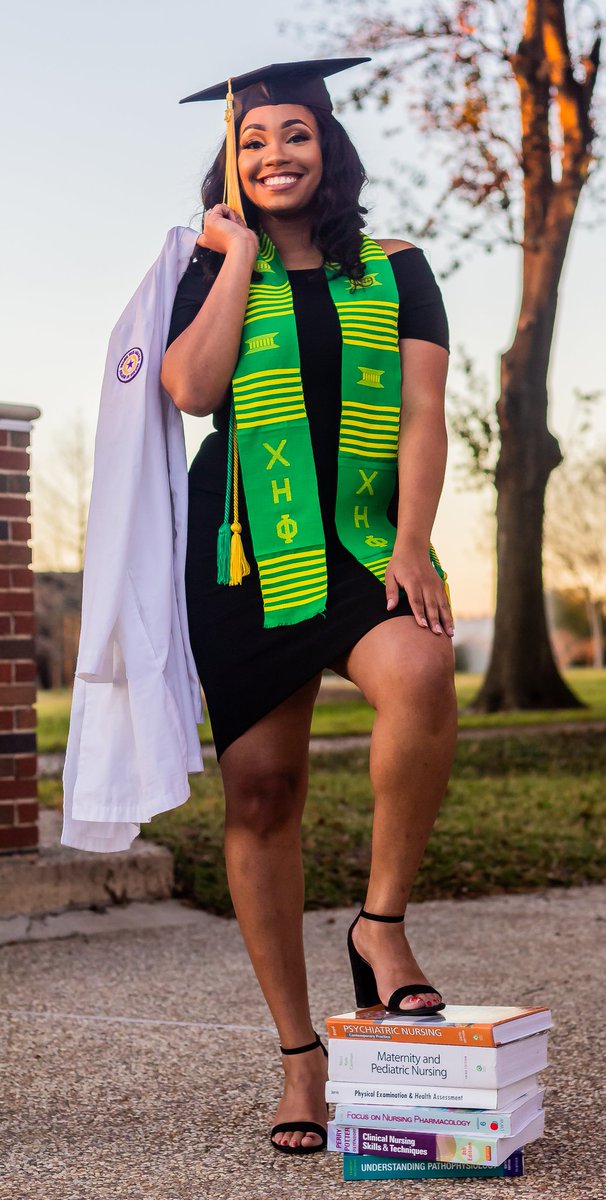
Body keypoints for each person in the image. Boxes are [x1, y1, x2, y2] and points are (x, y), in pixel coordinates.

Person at [161, 58, 458, 1156]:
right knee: (263, 792)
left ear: (328, 147)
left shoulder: (396, 265)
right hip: (243, 545)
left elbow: (424, 412)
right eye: (254, 141)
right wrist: (235, 256)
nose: (275, 153)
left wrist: (415, 542)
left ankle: (379, 928)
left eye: (295, 134)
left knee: (423, 670)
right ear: (231, 163)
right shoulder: (204, 263)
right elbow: (193, 392)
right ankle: (301, 1061)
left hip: (362, 539)